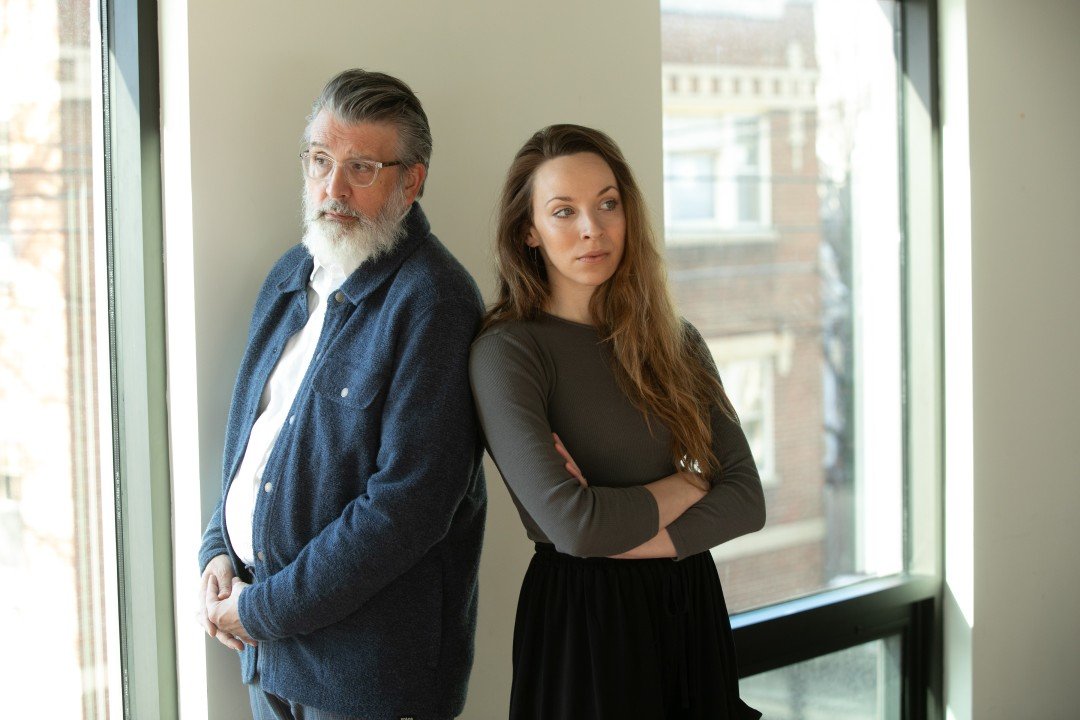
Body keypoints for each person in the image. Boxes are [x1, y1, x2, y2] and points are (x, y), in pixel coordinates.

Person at [196, 69, 486, 720]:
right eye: (321, 161)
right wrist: (218, 548)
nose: (333, 188)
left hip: (369, 680)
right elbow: (253, 439)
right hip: (270, 658)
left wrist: (257, 609)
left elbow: (404, 510)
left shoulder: (435, 302)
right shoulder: (289, 275)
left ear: (411, 182)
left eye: (361, 167)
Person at [469, 124, 766, 719]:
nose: (592, 229)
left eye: (608, 204)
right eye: (563, 211)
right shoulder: (509, 352)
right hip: (585, 623)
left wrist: (619, 529)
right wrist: (689, 485)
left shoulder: (675, 342)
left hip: (690, 608)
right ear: (528, 231)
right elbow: (575, 528)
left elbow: (748, 500)